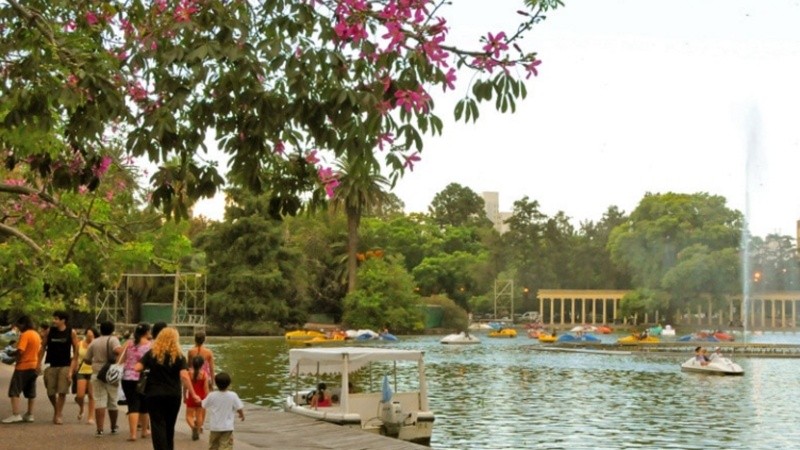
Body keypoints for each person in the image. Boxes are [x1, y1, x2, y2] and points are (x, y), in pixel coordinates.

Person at [135, 327, 200, 450]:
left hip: (153, 394)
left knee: (157, 425)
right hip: (173, 394)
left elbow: (137, 368)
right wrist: (193, 393)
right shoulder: (179, 356)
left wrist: (147, 366)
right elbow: (184, 376)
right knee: (170, 425)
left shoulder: (151, 354)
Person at [39, 310, 80, 425]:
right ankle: (57, 410)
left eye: (56, 319)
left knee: (62, 391)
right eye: (54, 318)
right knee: (50, 392)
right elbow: (42, 347)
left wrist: (73, 367)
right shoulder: (49, 331)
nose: (54, 321)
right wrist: (38, 363)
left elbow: (76, 350)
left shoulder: (71, 332)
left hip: (65, 365)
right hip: (52, 365)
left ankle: (58, 414)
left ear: (63, 320)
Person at [84, 320, 123, 436]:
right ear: (112, 329)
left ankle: (99, 429)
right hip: (111, 373)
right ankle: (113, 426)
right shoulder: (113, 340)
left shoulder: (94, 342)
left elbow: (86, 359)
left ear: (100, 329)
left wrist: (95, 363)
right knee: (113, 401)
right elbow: (118, 351)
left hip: (97, 373)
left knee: (100, 400)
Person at [2, 316, 42, 423]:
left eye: (19, 325)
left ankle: (16, 414)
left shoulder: (25, 334)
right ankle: (30, 414)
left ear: (23, 324)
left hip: (23, 366)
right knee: (31, 391)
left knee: (14, 390)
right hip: (33, 366)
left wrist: (12, 358)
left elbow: (20, 351)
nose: (18, 328)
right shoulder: (36, 334)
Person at [120, 323, 151, 441]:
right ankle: (144, 430)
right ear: (147, 332)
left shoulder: (128, 343)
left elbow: (121, 360)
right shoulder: (150, 345)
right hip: (143, 378)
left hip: (127, 377)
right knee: (144, 405)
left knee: (132, 405)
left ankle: (133, 434)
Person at [202, 372, 244, 450]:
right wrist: (242, 415)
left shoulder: (212, 395)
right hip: (227, 427)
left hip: (214, 427)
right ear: (229, 384)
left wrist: (199, 400)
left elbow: (204, 405)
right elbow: (239, 407)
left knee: (213, 446)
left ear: (216, 384)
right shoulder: (233, 395)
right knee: (225, 446)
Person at [75, 326, 98, 424]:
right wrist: (71, 370)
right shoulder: (79, 344)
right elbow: (75, 358)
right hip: (82, 370)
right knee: (80, 395)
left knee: (91, 395)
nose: (90, 338)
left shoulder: (97, 345)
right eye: (88, 336)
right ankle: (81, 408)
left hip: (93, 371)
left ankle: (91, 416)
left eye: (92, 336)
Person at [185, 355, 209, 441]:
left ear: (192, 364)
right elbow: (206, 389)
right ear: (202, 364)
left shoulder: (188, 373)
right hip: (201, 397)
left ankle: (193, 427)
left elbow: (185, 386)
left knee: (188, 416)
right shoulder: (204, 375)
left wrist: (184, 396)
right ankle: (198, 430)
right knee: (199, 415)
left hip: (192, 396)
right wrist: (207, 399)